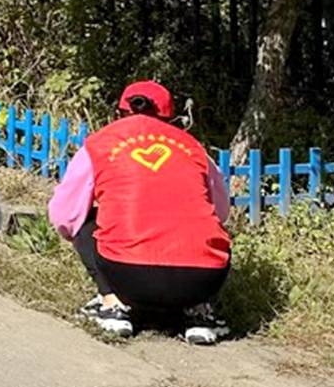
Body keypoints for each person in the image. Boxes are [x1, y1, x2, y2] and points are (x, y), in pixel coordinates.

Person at [48, 81, 232, 344]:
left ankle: (111, 304)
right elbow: (221, 212)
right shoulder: (194, 148)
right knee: (209, 229)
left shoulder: (99, 144)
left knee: (86, 220)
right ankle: (199, 312)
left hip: (126, 274)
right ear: (170, 117)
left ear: (119, 113)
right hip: (201, 279)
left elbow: (64, 216)